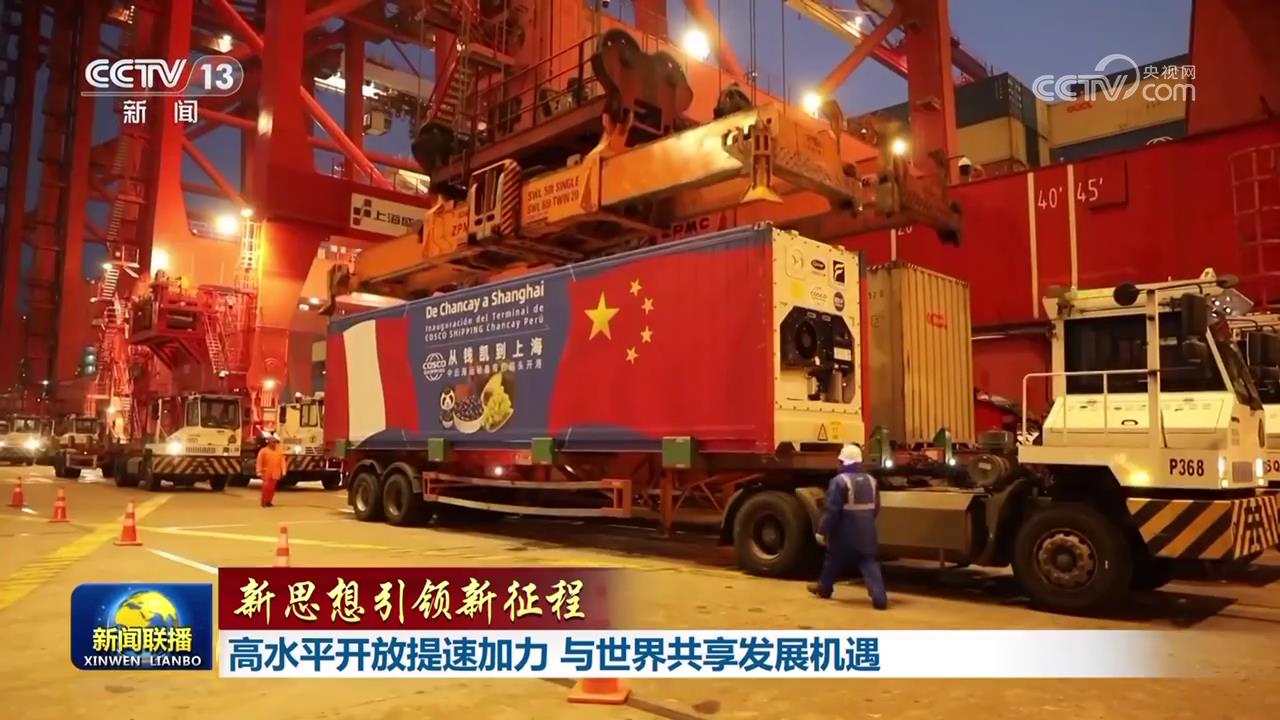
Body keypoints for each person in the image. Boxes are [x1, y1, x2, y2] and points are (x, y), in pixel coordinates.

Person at [808, 444, 888, 609]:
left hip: (844, 534)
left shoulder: (839, 481)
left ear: (843, 462)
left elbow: (832, 511)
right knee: (869, 562)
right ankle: (879, 598)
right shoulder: (872, 481)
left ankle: (824, 588)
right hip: (867, 534)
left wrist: (822, 531)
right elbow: (876, 508)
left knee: (833, 560)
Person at [256, 435, 287, 507]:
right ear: (269, 443)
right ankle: (264, 500)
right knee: (265, 487)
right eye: (273, 442)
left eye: (275, 442)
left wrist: (283, 471)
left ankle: (269, 501)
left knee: (272, 489)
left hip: (275, 472)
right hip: (266, 472)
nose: (274, 444)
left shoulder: (279, 452)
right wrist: (259, 471)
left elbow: (282, 462)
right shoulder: (263, 451)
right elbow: (259, 461)